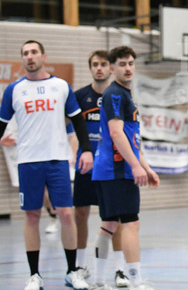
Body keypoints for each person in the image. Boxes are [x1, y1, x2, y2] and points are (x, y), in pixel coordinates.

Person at [0, 40, 93, 290]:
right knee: (32, 215)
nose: (30, 57)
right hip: (28, 161)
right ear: (23, 59)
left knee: (66, 213)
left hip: (57, 160)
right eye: (25, 53)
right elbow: (1, 123)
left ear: (44, 56)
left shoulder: (61, 86)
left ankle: (72, 272)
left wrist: (86, 150)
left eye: (34, 52)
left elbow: (78, 121)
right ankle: (34, 275)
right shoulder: (14, 90)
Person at [90, 46, 159, 290]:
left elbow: (132, 138)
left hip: (109, 170)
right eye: (122, 64)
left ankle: (98, 281)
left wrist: (146, 167)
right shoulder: (115, 94)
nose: (127, 68)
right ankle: (136, 282)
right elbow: (116, 133)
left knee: (109, 224)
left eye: (130, 63)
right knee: (130, 223)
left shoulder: (124, 95)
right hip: (116, 169)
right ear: (112, 68)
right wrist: (135, 166)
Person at [69, 50, 129, 287]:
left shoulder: (118, 96)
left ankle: (120, 269)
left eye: (103, 64)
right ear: (90, 68)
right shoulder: (79, 97)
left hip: (111, 166)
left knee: (115, 218)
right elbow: (65, 124)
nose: (99, 68)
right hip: (86, 166)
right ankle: (80, 266)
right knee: (80, 214)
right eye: (95, 64)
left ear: (110, 68)